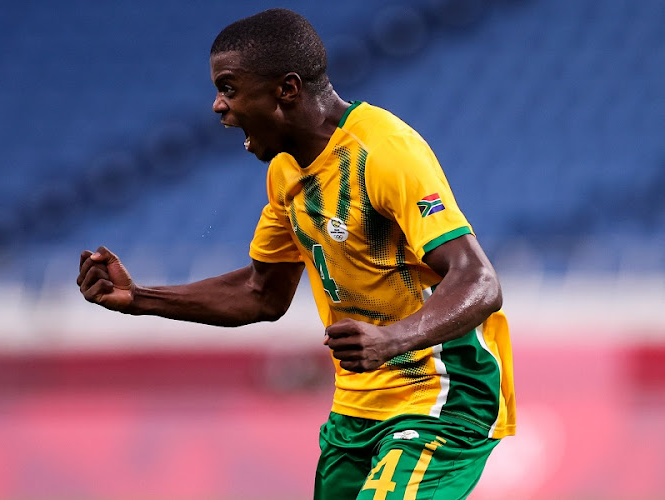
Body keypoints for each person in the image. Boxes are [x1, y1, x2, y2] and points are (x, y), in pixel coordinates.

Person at [77, 8, 515, 499]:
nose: (218, 106)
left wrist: (393, 339)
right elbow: (261, 293)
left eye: (229, 88)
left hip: (443, 398)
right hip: (358, 407)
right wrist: (140, 298)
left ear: (286, 89)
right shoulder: (286, 173)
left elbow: (479, 280)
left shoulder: (385, 152)